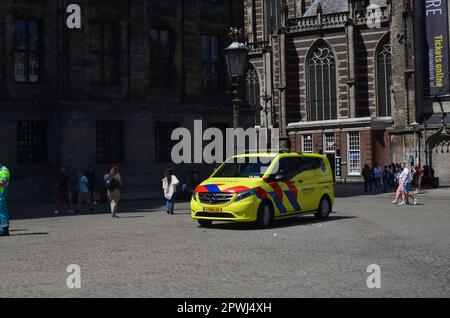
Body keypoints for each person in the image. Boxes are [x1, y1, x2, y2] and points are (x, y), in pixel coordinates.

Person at [0, 161, 10, 237]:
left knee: (2, 210)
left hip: (1, 194)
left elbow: (4, 182)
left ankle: (4, 229)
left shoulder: (4, 170)